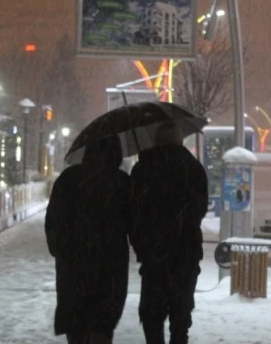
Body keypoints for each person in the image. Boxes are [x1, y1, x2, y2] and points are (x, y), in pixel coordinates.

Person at [45, 135, 130, 344]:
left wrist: (60, 249)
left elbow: (53, 222)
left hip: (73, 267)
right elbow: (135, 222)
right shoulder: (121, 182)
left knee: (77, 324)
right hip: (110, 267)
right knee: (102, 325)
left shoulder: (68, 179)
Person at [129, 121, 209, 344]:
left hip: (154, 257)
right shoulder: (193, 168)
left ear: (158, 141)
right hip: (186, 255)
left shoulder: (143, 169)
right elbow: (199, 210)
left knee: (152, 317)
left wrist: (142, 245)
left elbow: (133, 213)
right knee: (180, 318)